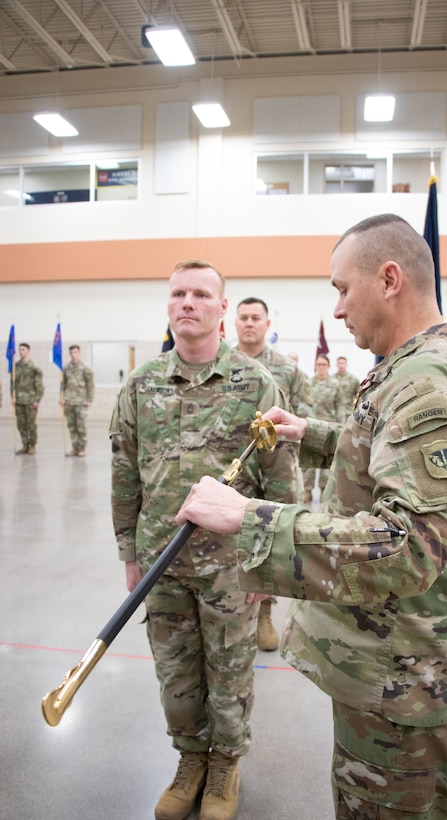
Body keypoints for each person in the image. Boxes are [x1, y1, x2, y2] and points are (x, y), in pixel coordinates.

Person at [177, 215, 447, 820]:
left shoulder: (426, 380)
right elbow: (391, 455)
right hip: (396, 664)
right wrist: (315, 435)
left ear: (389, 280)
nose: (336, 309)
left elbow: (407, 548)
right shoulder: (423, 365)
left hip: (402, 679)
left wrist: (250, 517)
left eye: (341, 289)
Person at [109, 260, 297, 820]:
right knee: (175, 672)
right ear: (169, 307)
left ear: (221, 310)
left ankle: (225, 765)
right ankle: (190, 758)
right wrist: (128, 553)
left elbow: (282, 482)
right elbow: (123, 474)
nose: (187, 302)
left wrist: (271, 565)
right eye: (178, 293)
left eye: (200, 294)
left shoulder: (256, 384)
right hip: (160, 564)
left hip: (231, 567)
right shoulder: (141, 385)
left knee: (231, 666)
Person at [235, 296, 312, 651]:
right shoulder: (225, 366)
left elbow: (304, 416)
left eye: (256, 318)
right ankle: (234, 612)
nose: (249, 323)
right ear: (234, 324)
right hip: (235, 475)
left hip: (274, 471)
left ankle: (264, 611)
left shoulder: (287, 369)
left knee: (266, 539)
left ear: (268, 325)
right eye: (243, 318)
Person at [303, 354, 344, 504]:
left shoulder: (334, 384)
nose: (320, 367)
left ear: (328, 366)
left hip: (329, 426)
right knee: (308, 460)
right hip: (311, 425)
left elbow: (339, 405)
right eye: (318, 364)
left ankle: (323, 491)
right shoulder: (308, 383)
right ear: (315, 366)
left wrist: (341, 424)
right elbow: (303, 404)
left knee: (327, 461)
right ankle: (307, 490)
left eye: (323, 365)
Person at [60, 344, 95, 456]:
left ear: (79, 353)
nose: (73, 355)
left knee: (81, 426)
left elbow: (90, 385)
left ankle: (82, 448)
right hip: (69, 401)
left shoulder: (85, 368)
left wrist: (90, 399)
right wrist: (61, 398)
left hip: (81, 401)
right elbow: (63, 384)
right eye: (71, 353)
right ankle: (75, 447)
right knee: (71, 426)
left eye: (75, 352)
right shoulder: (66, 368)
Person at [10, 343, 44, 455]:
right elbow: (13, 383)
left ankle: (32, 445)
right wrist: (13, 397)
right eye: (19, 350)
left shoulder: (34, 368)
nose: (21, 352)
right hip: (19, 401)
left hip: (30, 401)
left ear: (28, 350)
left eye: (23, 349)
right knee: (21, 424)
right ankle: (25, 445)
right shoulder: (15, 366)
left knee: (31, 424)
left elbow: (40, 386)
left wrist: (37, 400)